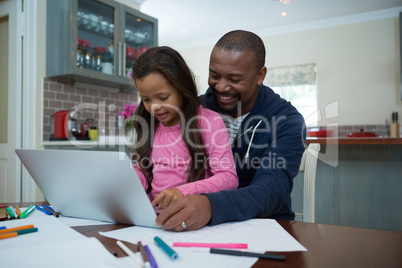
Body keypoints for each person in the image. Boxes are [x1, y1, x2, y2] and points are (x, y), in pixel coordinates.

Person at [155, 30, 306, 231]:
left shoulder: (286, 120)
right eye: (214, 76)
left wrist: (211, 205)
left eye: (234, 79)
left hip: (266, 226)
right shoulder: (193, 110)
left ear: (260, 75)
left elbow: (272, 190)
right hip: (197, 225)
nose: (221, 87)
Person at [130, 46, 239, 211]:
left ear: (182, 88)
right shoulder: (151, 125)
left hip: (191, 216)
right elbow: (144, 169)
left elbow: (229, 178)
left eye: (163, 97)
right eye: (146, 99)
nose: (155, 107)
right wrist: (130, 182)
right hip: (152, 215)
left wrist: (182, 191)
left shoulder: (208, 122)